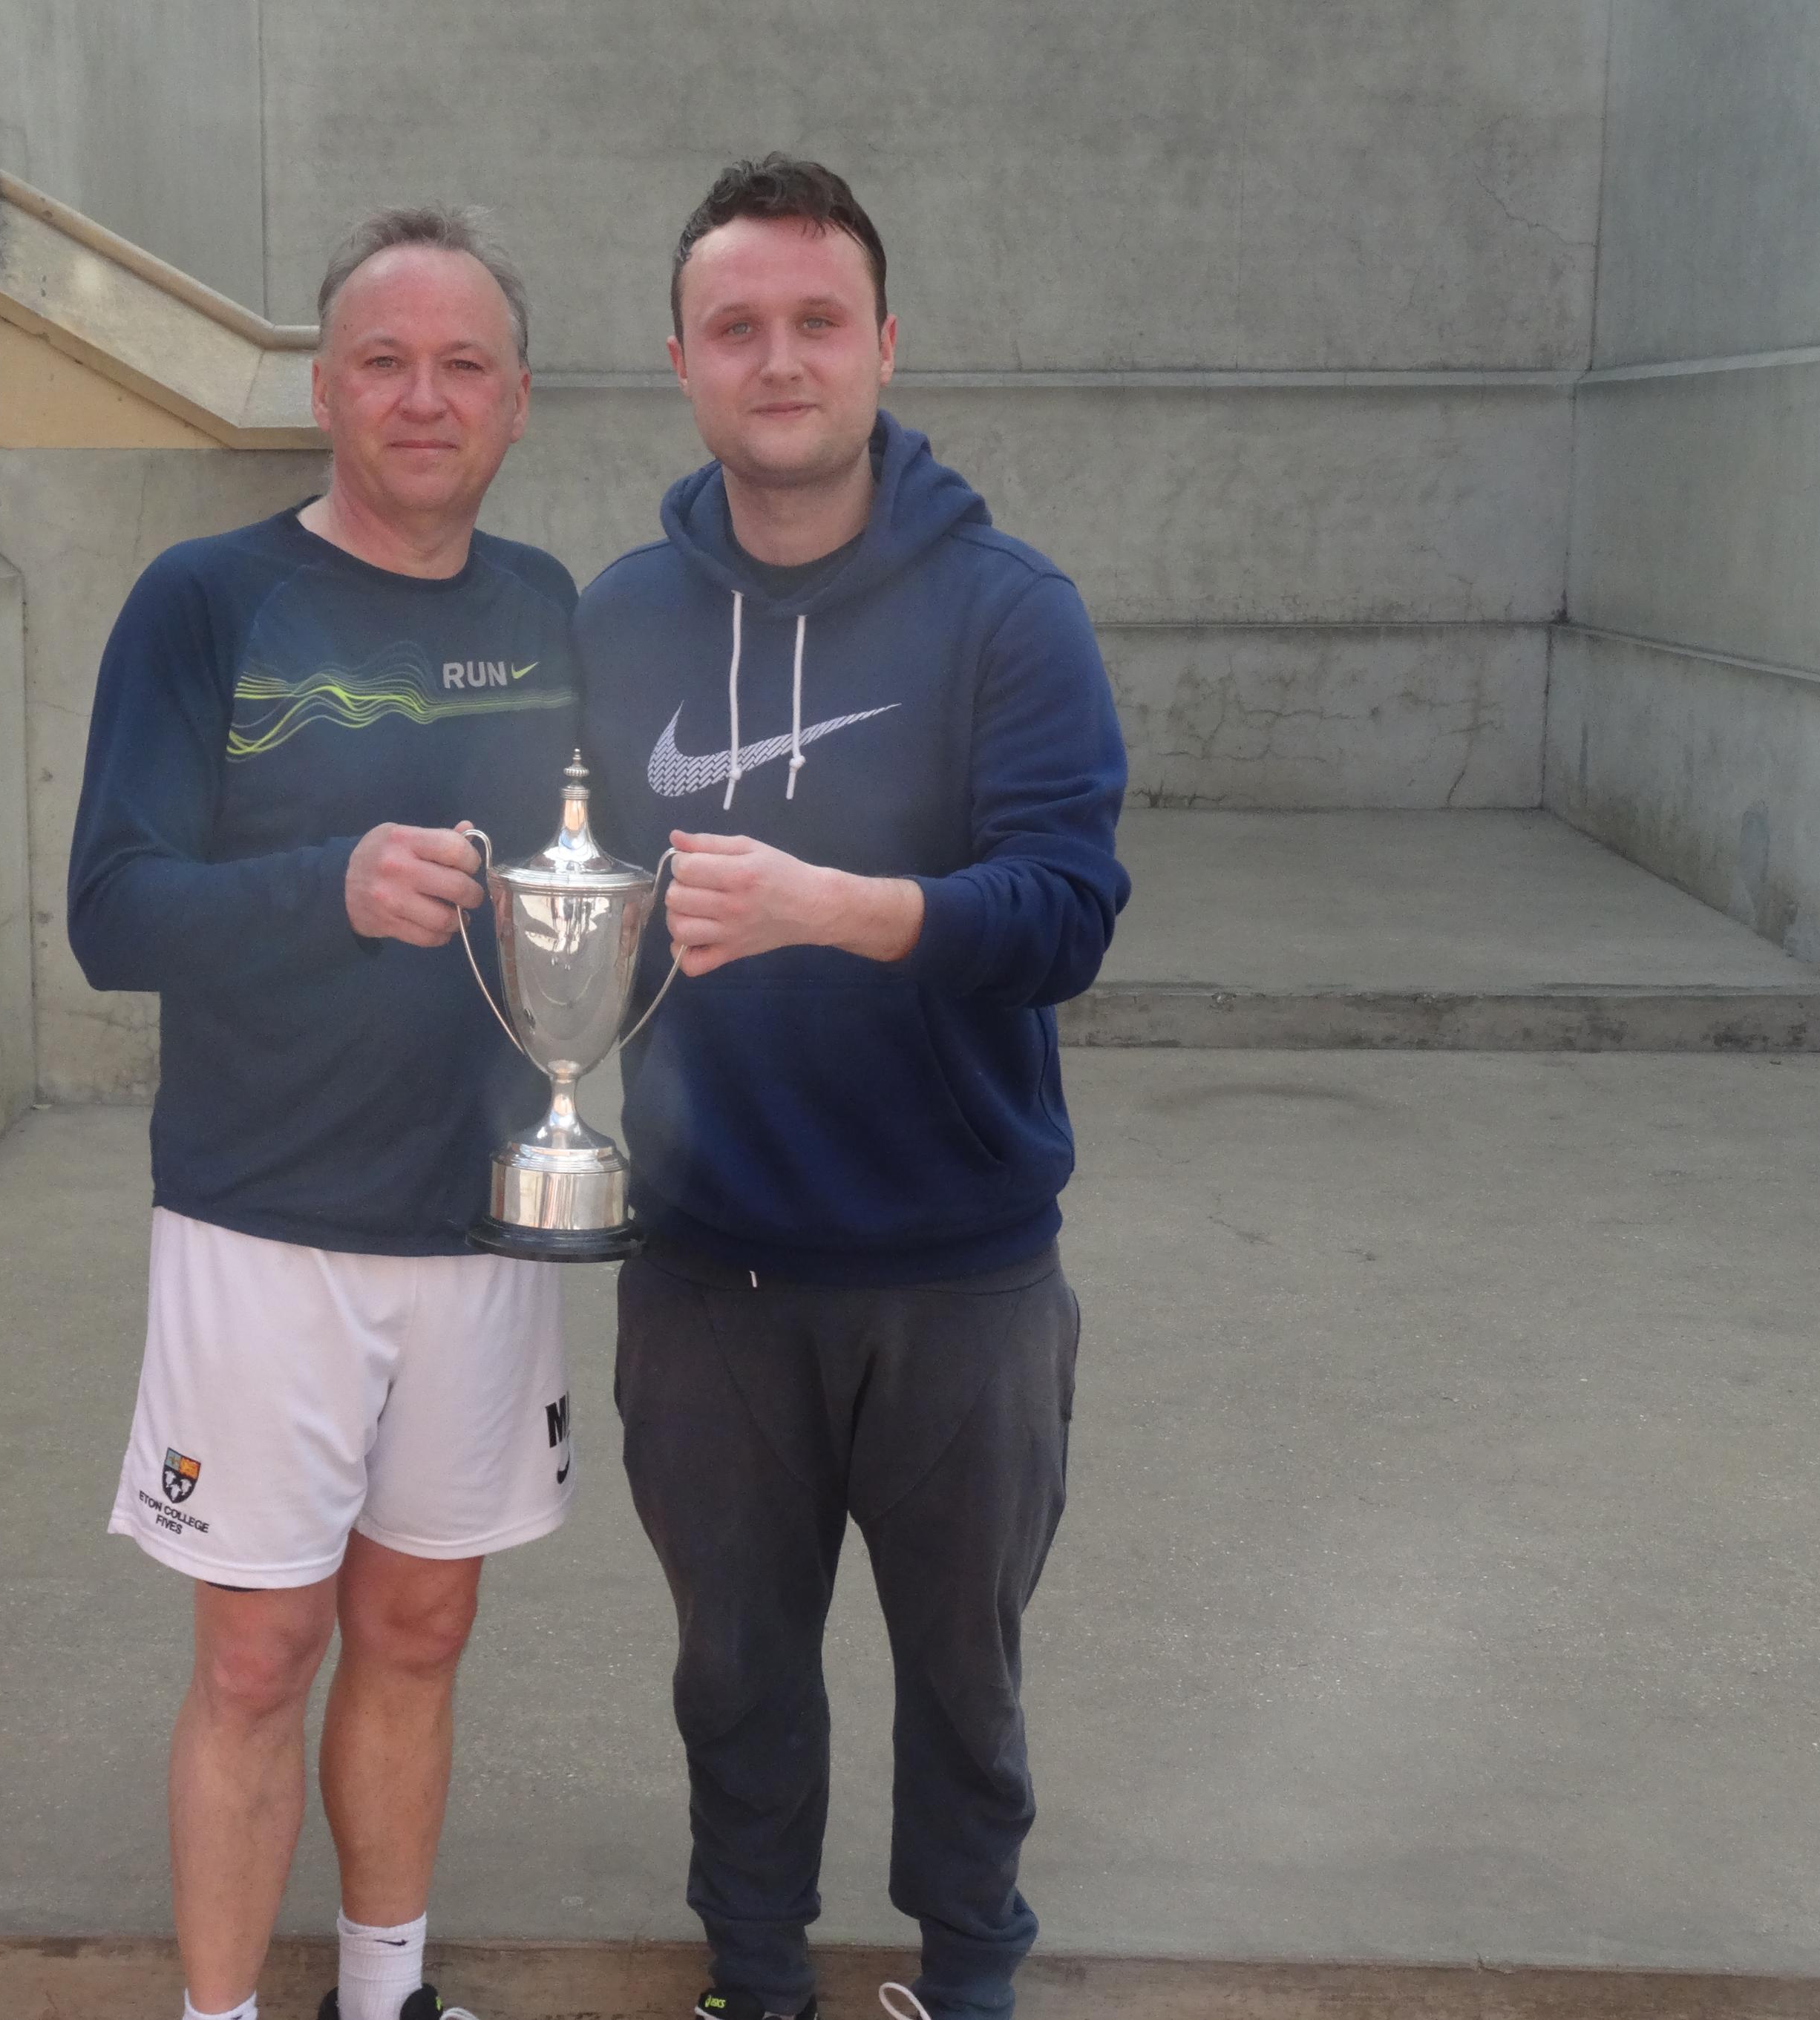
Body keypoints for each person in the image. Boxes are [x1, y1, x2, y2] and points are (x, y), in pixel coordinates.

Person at [575, 157, 1133, 2020]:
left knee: (965, 1674)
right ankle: (758, 1974)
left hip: (960, 1258)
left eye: (820, 321)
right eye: (740, 326)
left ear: (885, 345)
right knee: (732, 1667)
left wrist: (844, 909)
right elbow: (562, 902)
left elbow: (1066, 913)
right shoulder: (621, 619)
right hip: (708, 1266)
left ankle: (969, 1977)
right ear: (682, 360)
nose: (782, 358)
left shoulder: (1010, 613)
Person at [69, 206, 580, 2020]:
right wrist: (326, 883)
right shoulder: (206, 602)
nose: (421, 397)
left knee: (424, 1626)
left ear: (518, 401)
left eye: (461, 366)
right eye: (383, 360)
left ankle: (385, 1991)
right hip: (261, 1219)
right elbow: (111, 912)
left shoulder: (551, 612)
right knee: (260, 1647)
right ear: (322, 387)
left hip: (486, 1217)